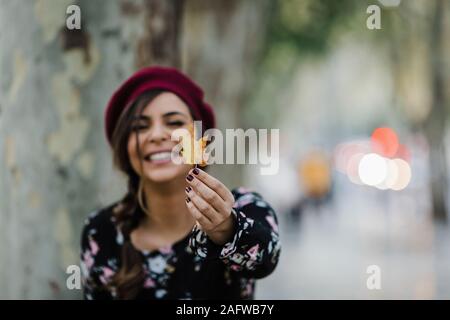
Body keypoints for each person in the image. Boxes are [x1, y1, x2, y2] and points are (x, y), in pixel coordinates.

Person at [80, 66, 281, 300]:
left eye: (174, 123)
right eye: (139, 127)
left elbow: (265, 259)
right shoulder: (101, 231)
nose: (156, 135)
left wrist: (226, 228)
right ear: (125, 148)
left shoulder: (245, 206)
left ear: (201, 144)